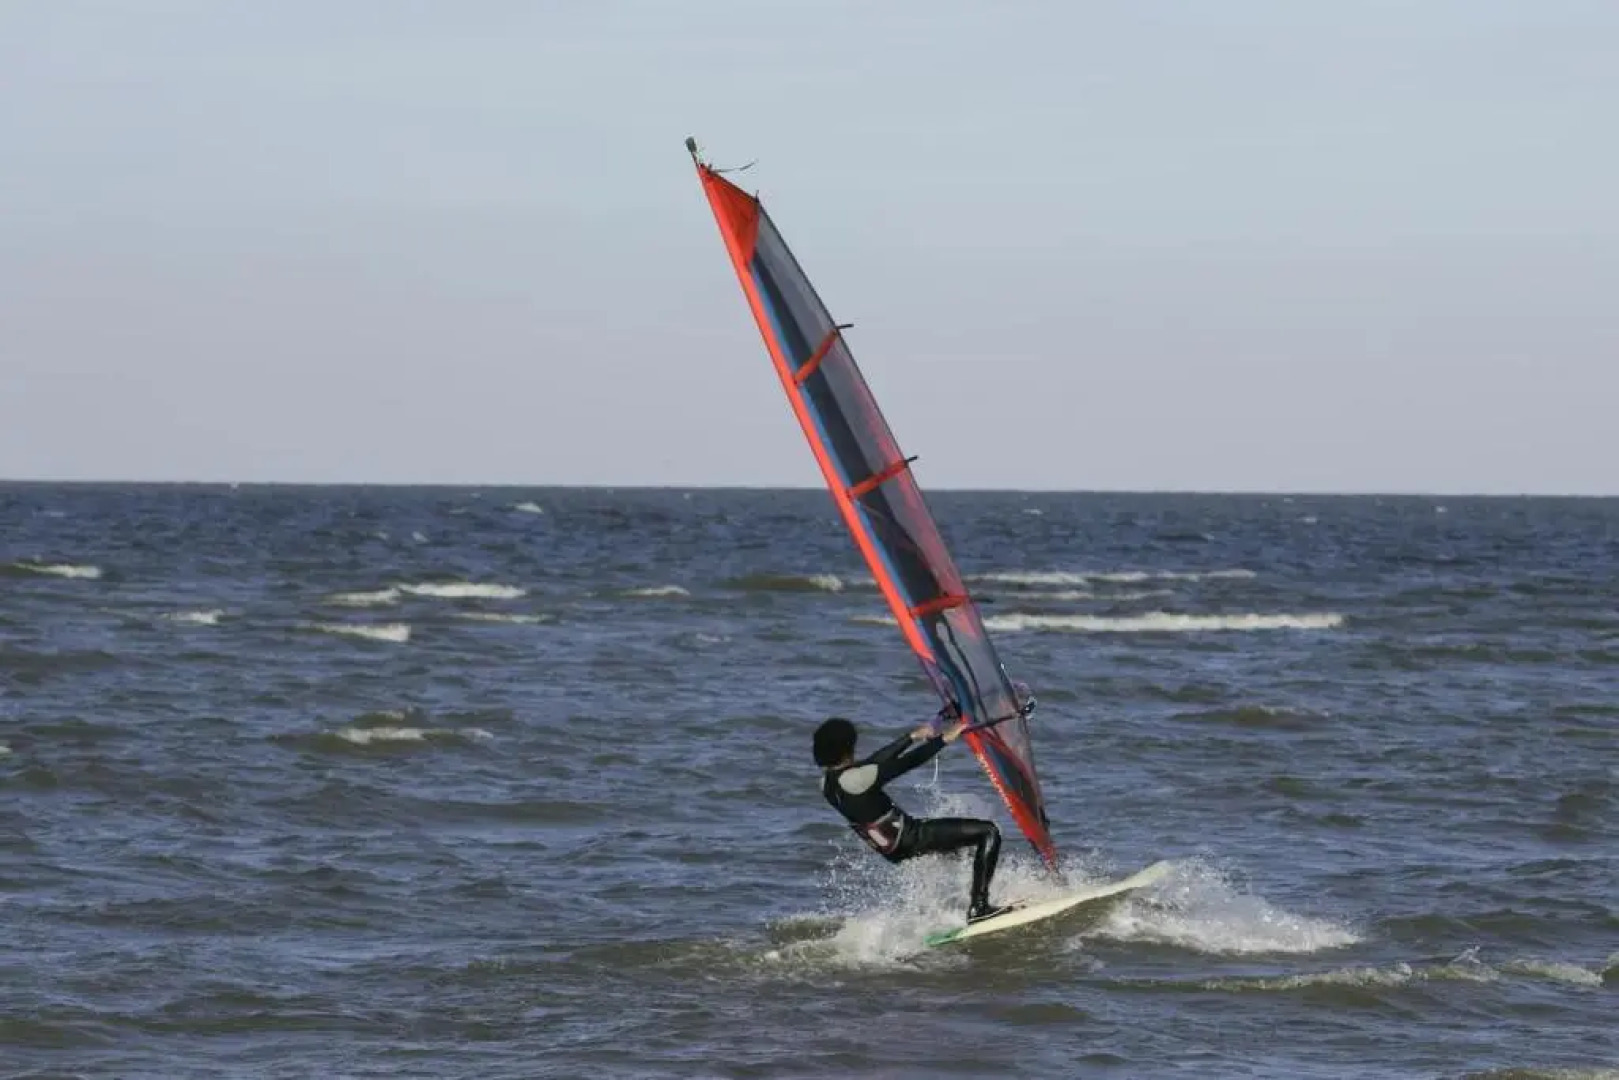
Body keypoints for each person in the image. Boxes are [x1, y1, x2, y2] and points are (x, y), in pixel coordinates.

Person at [813, 709, 1009, 923]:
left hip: (892, 849)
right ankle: (979, 907)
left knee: (964, 851)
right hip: (912, 837)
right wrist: (944, 739)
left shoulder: (826, 784)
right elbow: (907, 762)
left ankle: (960, 902)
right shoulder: (857, 779)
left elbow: (872, 763)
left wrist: (912, 737)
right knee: (989, 832)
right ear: (847, 749)